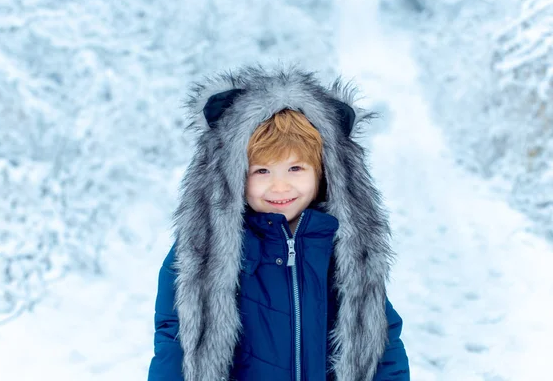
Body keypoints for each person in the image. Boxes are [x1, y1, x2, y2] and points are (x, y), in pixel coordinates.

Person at [148, 66, 410, 381]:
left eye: (296, 168)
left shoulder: (343, 248)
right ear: (233, 176)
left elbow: (381, 338)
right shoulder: (202, 251)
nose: (280, 187)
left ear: (324, 172)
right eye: (262, 171)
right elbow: (173, 340)